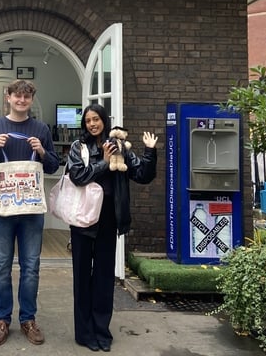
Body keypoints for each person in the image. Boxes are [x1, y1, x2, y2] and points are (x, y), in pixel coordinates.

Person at [0, 80, 60, 346]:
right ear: (8, 98)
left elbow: (54, 165)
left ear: (31, 100)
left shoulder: (40, 129)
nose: (21, 100)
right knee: (0, 267)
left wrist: (43, 151)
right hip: (1, 208)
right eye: (17, 96)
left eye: (26, 96)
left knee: (31, 267)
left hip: (32, 209)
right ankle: (2, 319)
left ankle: (28, 319)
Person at [66, 103, 157, 352]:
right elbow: (78, 176)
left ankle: (101, 331)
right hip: (84, 220)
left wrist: (150, 152)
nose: (92, 124)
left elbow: (142, 175)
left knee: (104, 279)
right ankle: (84, 333)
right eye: (88, 121)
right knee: (82, 278)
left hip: (108, 220)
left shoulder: (120, 147)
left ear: (104, 120)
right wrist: (104, 163)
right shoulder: (79, 147)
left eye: (96, 119)